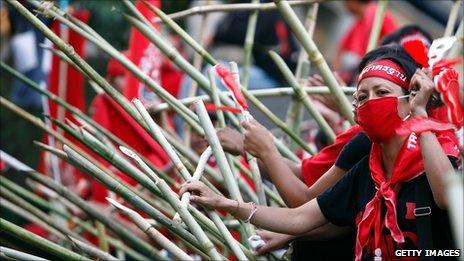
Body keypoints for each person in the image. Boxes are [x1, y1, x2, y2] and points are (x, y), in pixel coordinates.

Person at [181, 45, 460, 260]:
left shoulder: (432, 150)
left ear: (409, 98)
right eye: (363, 96)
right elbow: (302, 215)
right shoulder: (367, 162)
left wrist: (420, 115)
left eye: (382, 92)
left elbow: (446, 198)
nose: (371, 103)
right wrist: (224, 203)